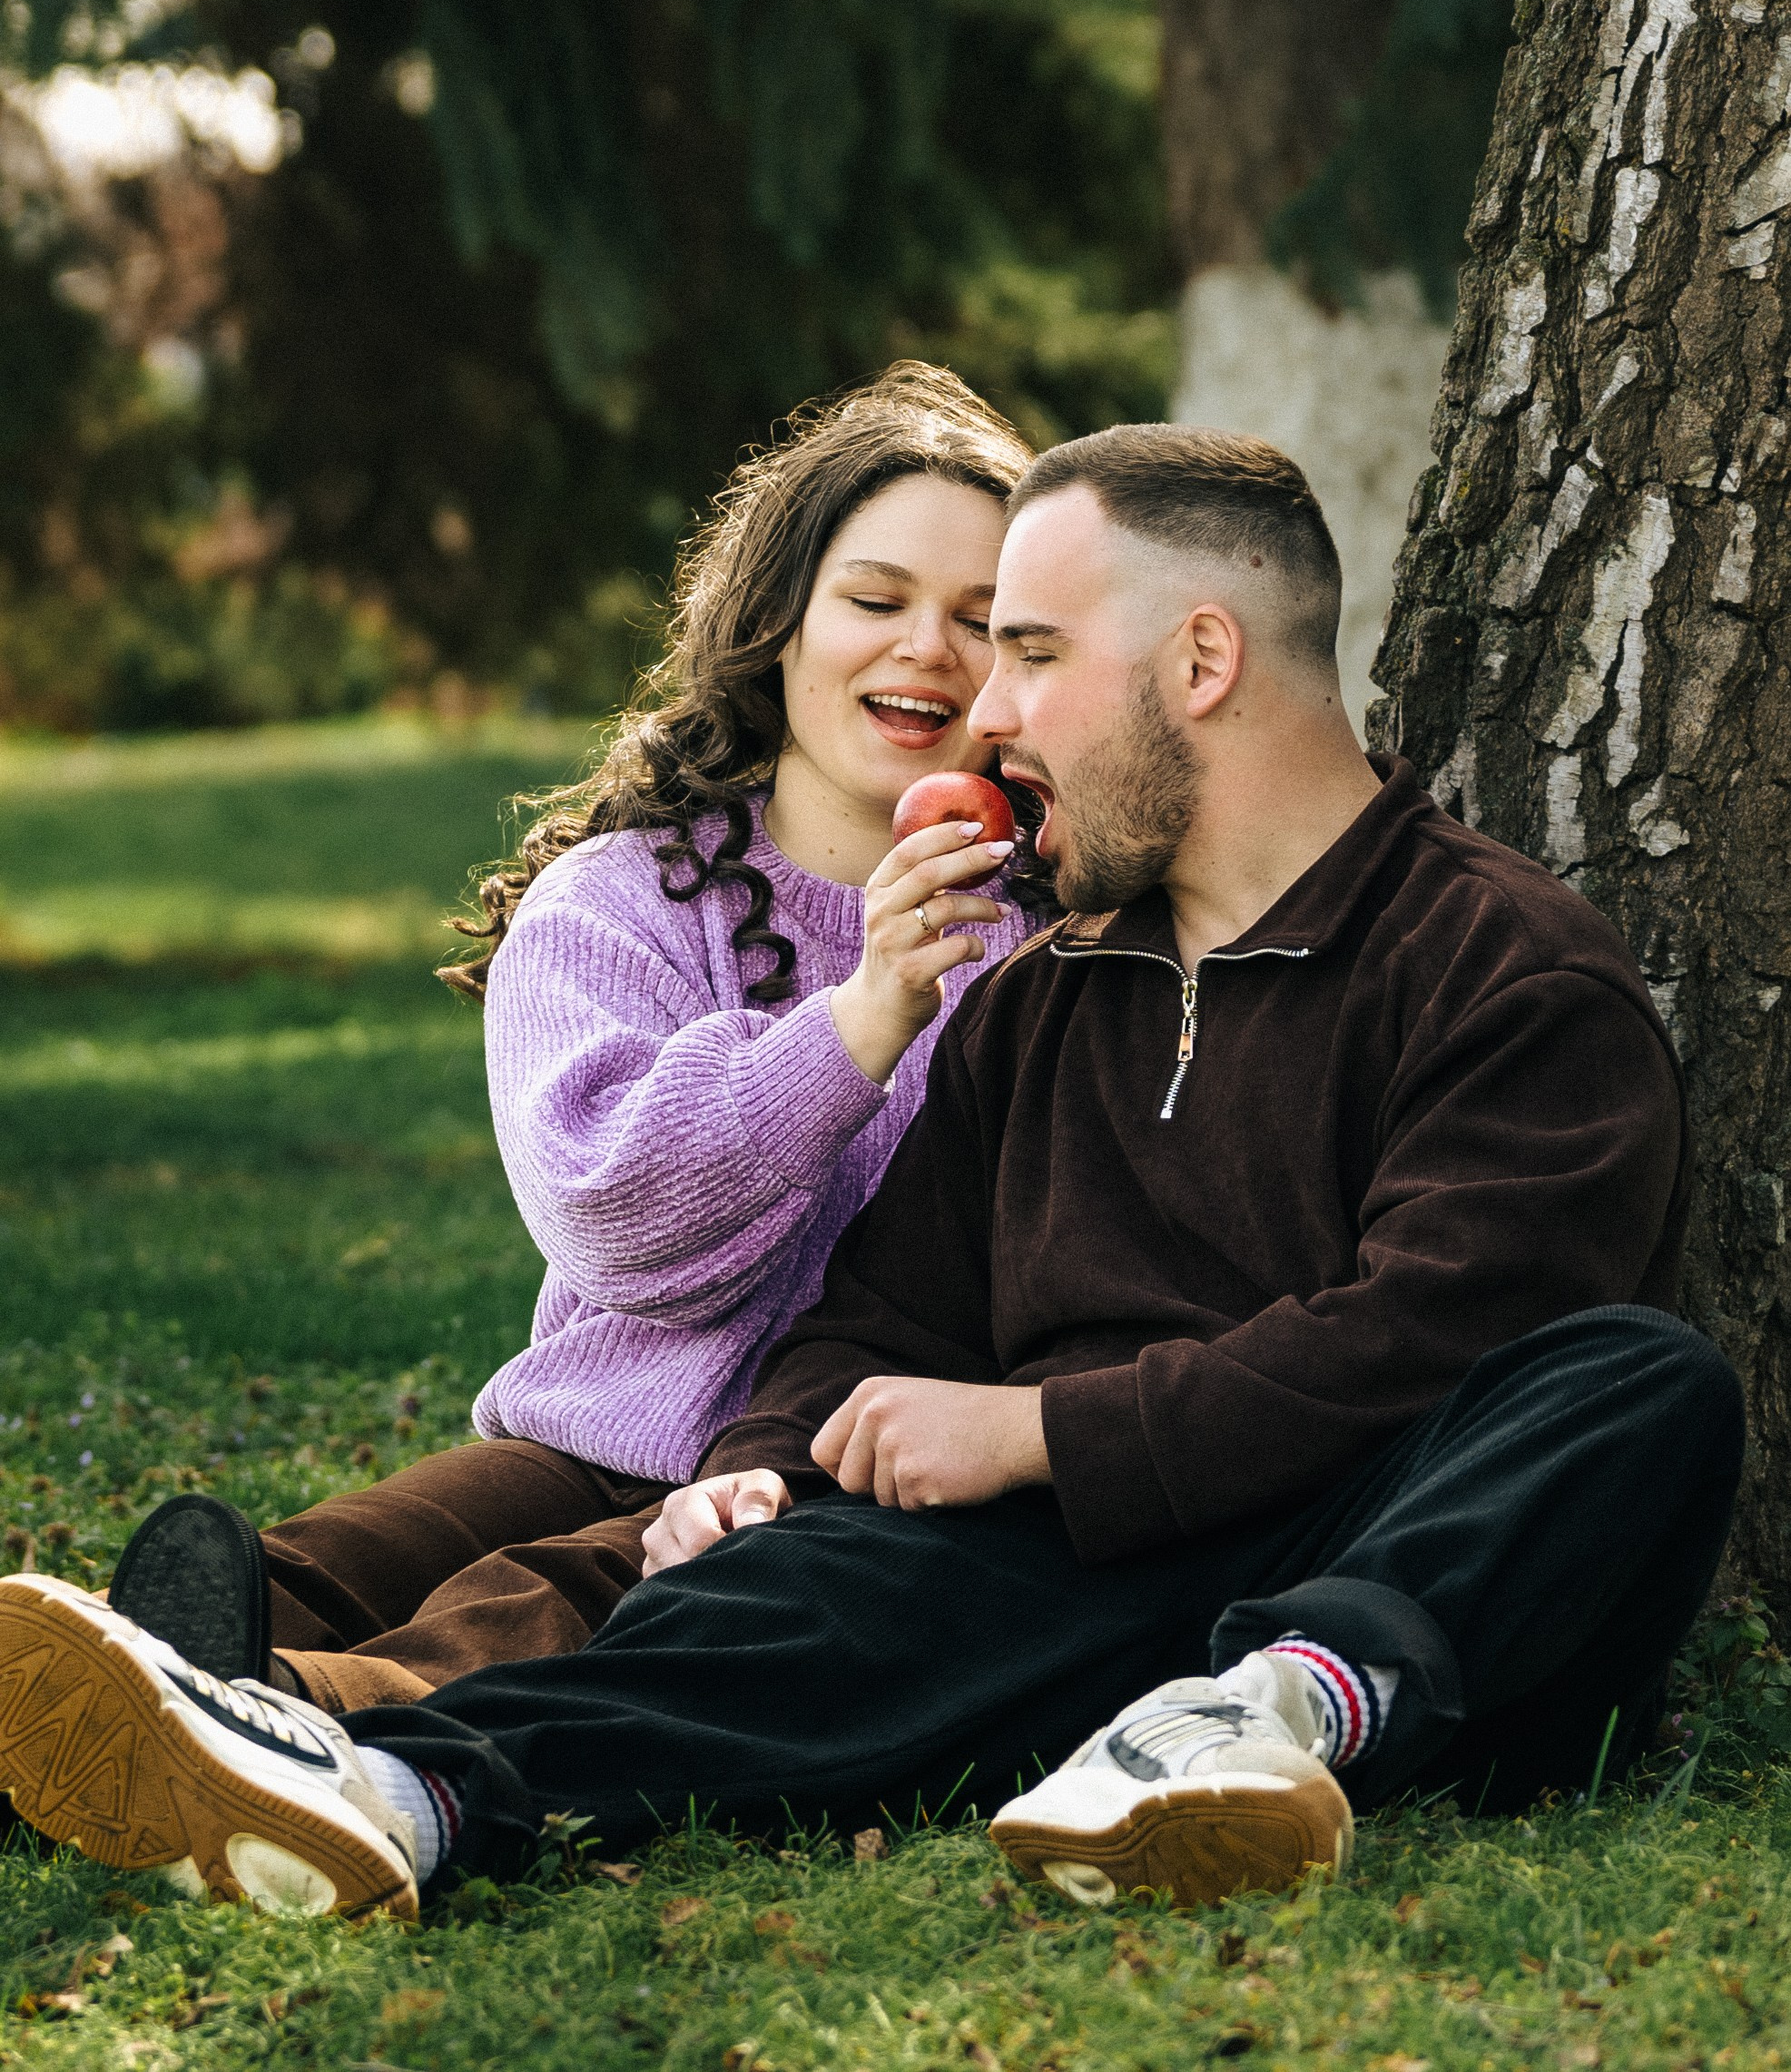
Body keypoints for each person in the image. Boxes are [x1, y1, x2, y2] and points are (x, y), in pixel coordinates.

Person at [0, 424, 1742, 1924]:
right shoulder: (1040, 991)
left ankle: (1259, 1720)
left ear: (1200, 663)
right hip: (1063, 1572)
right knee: (787, 1593)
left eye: (1030, 650)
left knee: (1640, 1385)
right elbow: (883, 1305)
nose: (985, 713)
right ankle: (391, 1794)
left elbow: (1449, 1328)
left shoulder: (1502, 965)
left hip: (1385, 1589)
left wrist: (1042, 1430)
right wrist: (758, 1469)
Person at [97, 362, 1042, 1714]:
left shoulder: (1050, 933)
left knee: (549, 1598)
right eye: (876, 600)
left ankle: (300, 1712)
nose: (928, 650)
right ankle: (113, 1681)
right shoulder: (618, 902)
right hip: (597, 1424)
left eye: (985, 622)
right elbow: (611, 1214)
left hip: (823, 1476)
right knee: (377, 1542)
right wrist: (859, 1016)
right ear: (777, 621)